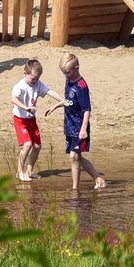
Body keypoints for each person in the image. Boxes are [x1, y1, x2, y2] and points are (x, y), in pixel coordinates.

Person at [46, 54, 107, 190]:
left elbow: (86, 109)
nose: (65, 75)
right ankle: (98, 179)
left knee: (74, 157)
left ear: (76, 68)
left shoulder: (81, 87)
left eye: (67, 72)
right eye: (63, 73)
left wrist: (84, 129)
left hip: (79, 126)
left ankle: (75, 189)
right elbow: (69, 101)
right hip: (69, 125)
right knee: (76, 157)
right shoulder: (69, 81)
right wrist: (56, 105)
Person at [10, 58, 51, 181]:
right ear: (25, 74)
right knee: (27, 145)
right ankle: (19, 172)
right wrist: (25, 107)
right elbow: (13, 99)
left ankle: (29, 171)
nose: (35, 81)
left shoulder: (38, 84)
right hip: (20, 119)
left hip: (31, 119)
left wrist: (62, 100)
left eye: (37, 78)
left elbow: (49, 91)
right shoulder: (20, 86)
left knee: (37, 146)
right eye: (33, 78)